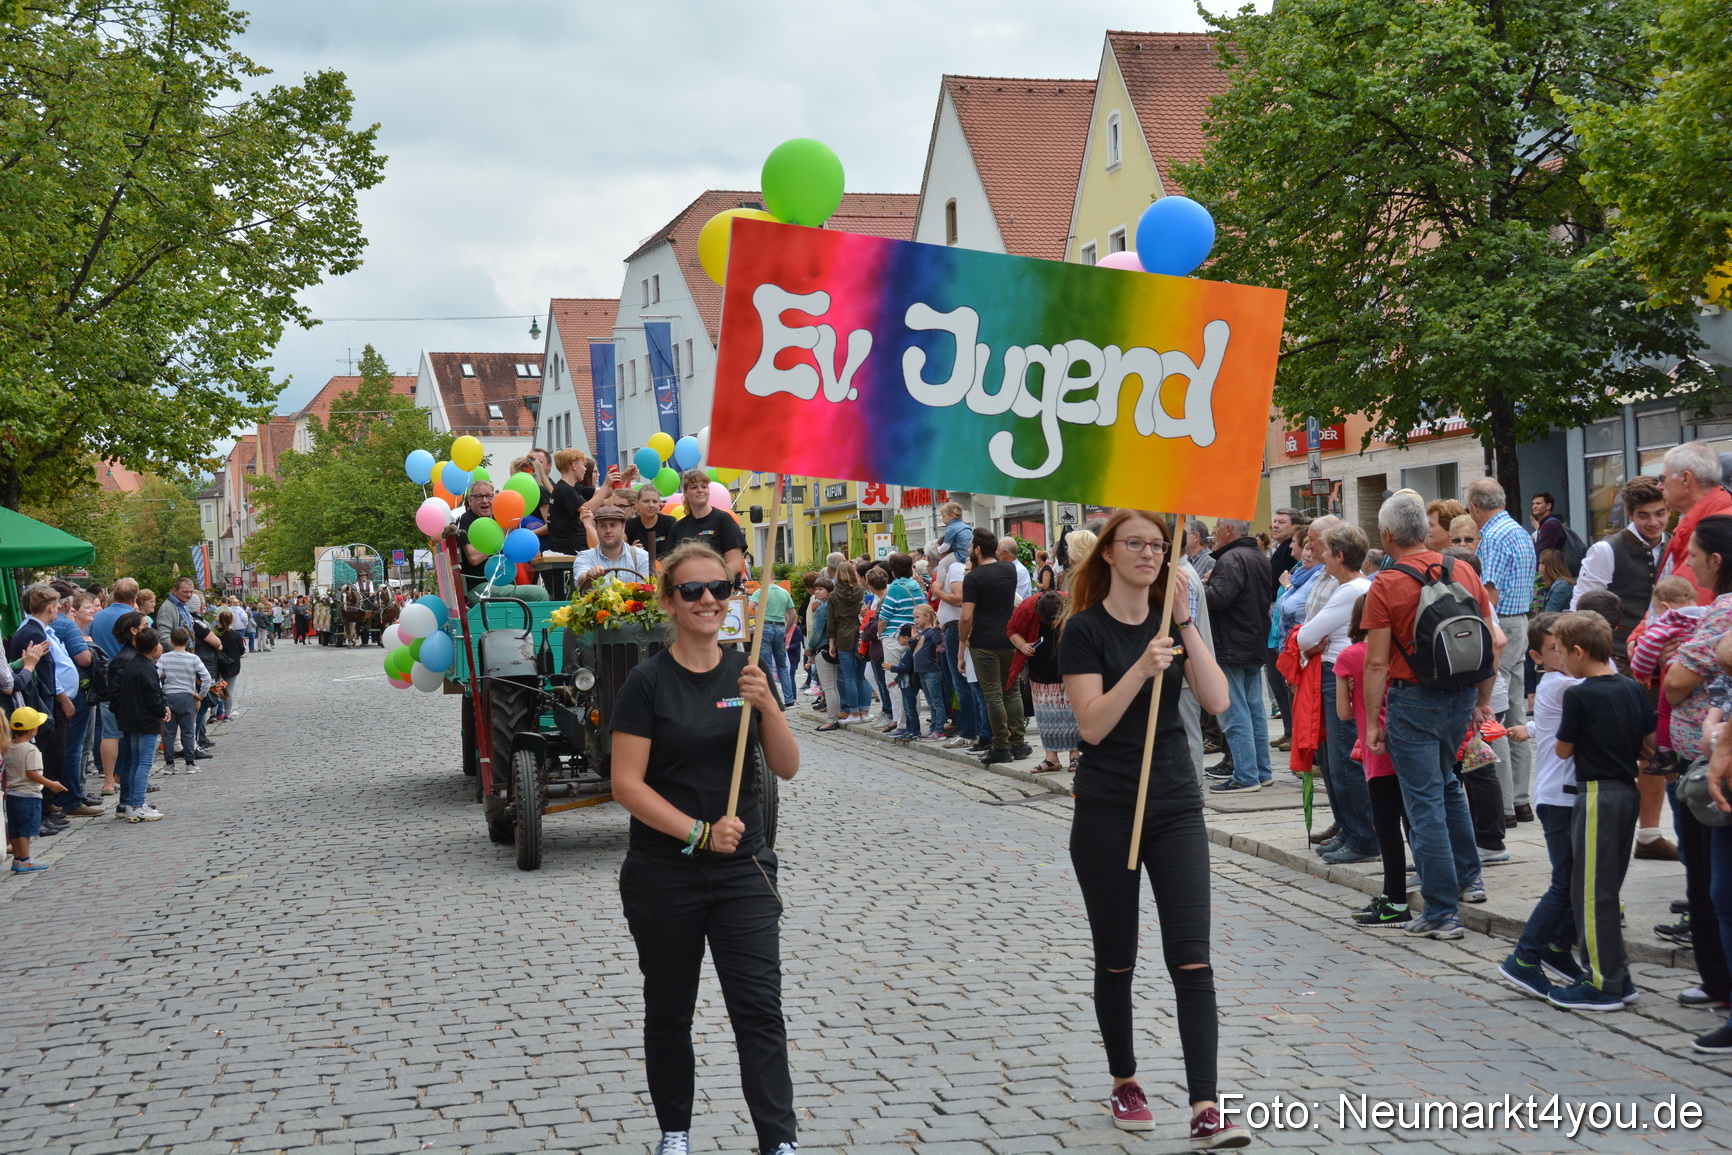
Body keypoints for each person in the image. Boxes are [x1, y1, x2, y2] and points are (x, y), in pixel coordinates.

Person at [608, 542, 800, 1155]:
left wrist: (767, 703)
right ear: (671, 600)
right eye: (692, 591)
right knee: (670, 1009)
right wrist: (697, 832)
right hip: (666, 874)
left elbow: (788, 768)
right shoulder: (647, 682)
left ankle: (779, 1141)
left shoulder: (746, 674)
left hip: (744, 871)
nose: (709, 600)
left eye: (718, 588)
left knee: (759, 1011)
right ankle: (675, 1131)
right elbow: (626, 785)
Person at [1057, 509, 1240, 1148]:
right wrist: (1139, 670)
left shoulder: (1173, 621)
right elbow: (1091, 726)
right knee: (1118, 961)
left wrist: (1186, 624)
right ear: (1107, 553)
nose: (1149, 555)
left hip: (1175, 804)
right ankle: (1126, 1078)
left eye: (1159, 546)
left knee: (1193, 959)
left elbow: (1217, 700)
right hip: (1108, 809)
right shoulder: (1082, 631)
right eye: (1135, 544)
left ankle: (1204, 1104)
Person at [1361, 494, 1496, 940]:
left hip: (1414, 700)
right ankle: (1468, 879)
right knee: (1448, 786)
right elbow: (1494, 640)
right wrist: (1482, 700)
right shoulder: (1463, 569)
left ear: (1386, 536)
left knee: (1424, 805)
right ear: (1424, 529)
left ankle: (1440, 912)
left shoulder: (1385, 584)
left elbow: (1376, 663)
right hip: (1460, 696)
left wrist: (1373, 724)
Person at [1547, 611, 1655, 1010]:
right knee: (1606, 889)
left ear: (1578, 651)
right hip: (1627, 791)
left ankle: (1601, 982)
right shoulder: (1630, 688)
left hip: (1596, 794)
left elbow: (1562, 750)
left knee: (1589, 893)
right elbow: (1649, 742)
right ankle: (1618, 975)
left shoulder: (1578, 694)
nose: (1559, 660)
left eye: (1561, 652)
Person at [1497, 612, 1593, 999]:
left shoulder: (1568, 683)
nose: (1567, 654)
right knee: (1565, 882)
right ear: (1538, 657)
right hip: (1558, 797)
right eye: (1557, 649)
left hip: (1571, 792)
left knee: (1578, 879)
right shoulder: (1562, 685)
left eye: (1571, 647)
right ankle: (1525, 957)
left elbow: (1554, 723)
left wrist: (1530, 728)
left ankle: (1556, 947)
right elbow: (1591, 695)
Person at [1296, 525, 1377, 864]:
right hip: (1334, 672)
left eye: (1327, 551)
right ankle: (1349, 828)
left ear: (1340, 556)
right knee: (1334, 758)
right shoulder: (1352, 586)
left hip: (1339, 675)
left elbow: (1306, 635)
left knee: (1344, 758)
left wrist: (1310, 641)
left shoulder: (1351, 589)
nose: (1322, 556)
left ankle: (1363, 836)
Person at [1468, 477, 1538, 826]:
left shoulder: (1493, 537)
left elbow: (1488, 594)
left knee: (1496, 712)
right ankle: (1522, 800)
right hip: (1519, 620)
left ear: (1476, 507)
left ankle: (1506, 805)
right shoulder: (1519, 531)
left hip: (1502, 625)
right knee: (1515, 714)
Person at [1336, 599, 1410, 926]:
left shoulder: (1349, 657)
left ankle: (1395, 899)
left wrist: (1351, 690)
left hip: (1377, 752)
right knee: (1416, 822)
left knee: (1387, 828)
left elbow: (1343, 713)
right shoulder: (1402, 653)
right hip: (1410, 745)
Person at [1204, 518, 1274, 791]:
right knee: (1254, 709)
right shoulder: (1257, 555)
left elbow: (1220, 598)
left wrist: (1201, 588)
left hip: (1232, 644)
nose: (1213, 534)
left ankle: (1246, 775)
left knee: (1235, 712)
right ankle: (1261, 771)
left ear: (1228, 531)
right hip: (1252, 642)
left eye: (1216, 529)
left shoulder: (1231, 558)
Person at [1571, 475, 1669, 653]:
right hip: (1617, 655)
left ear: (1669, 511)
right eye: (1643, 515)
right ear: (1630, 514)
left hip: (1664, 654)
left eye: (1660, 513)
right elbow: (1582, 606)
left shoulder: (1676, 545)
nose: (1653, 522)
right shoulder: (1606, 550)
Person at [959, 528, 1029, 764]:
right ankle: (1018, 743)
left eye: (970, 546)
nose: (969, 550)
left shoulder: (973, 578)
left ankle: (1001, 746)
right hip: (1008, 637)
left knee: (993, 695)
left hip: (984, 641)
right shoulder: (1009, 569)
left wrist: (962, 638)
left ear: (978, 550)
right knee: (1011, 691)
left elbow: (966, 616)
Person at [1659, 442, 1732, 604]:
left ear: (1685, 479)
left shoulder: (1714, 529)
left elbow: (1685, 611)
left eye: (1663, 478)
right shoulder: (1698, 520)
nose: (1659, 486)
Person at [1014, 590, 1078, 773]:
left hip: (1068, 666)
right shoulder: (1027, 608)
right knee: (1045, 714)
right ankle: (1051, 758)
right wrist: (1023, 645)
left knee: (1072, 712)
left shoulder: (1072, 603)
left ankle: (1075, 756)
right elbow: (1012, 630)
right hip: (1041, 668)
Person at [111, 626, 168, 822]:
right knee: (144, 763)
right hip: (144, 721)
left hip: (131, 720)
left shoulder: (133, 664)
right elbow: (153, 695)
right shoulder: (146, 667)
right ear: (154, 647)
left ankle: (133, 802)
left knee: (135, 762)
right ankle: (136, 804)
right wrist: (162, 711)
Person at [5, 706, 60, 873]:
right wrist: (51, 784)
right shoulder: (31, 750)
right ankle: (25, 859)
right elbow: (31, 773)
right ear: (34, 730)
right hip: (28, 794)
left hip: (12, 794)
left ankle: (17, 858)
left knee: (15, 828)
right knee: (26, 829)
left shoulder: (8, 747)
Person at [666, 470, 747, 581]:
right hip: (689, 591)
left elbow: (735, 564)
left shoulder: (724, 520)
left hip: (719, 589)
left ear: (708, 491)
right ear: (685, 492)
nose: (700, 490)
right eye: (694, 487)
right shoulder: (678, 527)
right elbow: (669, 565)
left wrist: (711, 582)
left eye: (704, 487)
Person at [158, 627, 209, 774]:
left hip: (169, 696)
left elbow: (156, 675)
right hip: (187, 696)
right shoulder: (193, 658)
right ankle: (190, 763)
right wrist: (201, 695)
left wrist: (161, 691)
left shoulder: (165, 658)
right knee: (188, 731)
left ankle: (169, 764)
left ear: (171, 641)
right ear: (188, 641)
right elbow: (205, 677)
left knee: (169, 732)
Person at [825, 561, 869, 724]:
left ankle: (854, 713)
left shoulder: (834, 595)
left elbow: (831, 621)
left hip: (843, 634)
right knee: (862, 676)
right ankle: (865, 711)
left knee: (849, 676)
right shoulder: (862, 591)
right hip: (860, 633)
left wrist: (831, 642)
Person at [572, 504, 652, 588]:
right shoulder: (585, 556)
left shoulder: (641, 556)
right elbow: (581, 582)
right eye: (603, 526)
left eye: (613, 525)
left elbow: (644, 592)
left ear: (623, 526)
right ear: (596, 528)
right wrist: (589, 576)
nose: (608, 530)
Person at [750, 578, 797, 708]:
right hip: (780, 627)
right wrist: (785, 630)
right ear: (774, 578)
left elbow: (749, 607)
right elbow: (792, 615)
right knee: (782, 666)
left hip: (765, 627)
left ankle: (771, 698)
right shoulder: (784, 592)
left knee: (767, 665)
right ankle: (789, 698)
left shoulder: (760, 591)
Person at [938, 500, 971, 569]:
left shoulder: (951, 528)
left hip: (960, 554)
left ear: (952, 516)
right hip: (970, 554)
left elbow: (946, 545)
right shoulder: (965, 526)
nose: (943, 519)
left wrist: (939, 550)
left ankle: (940, 580)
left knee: (942, 564)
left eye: (944, 516)